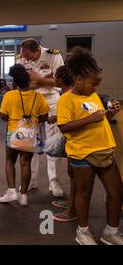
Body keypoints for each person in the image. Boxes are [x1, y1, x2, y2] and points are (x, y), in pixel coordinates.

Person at [57, 47, 123, 245]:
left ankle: (110, 231)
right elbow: (64, 127)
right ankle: (83, 231)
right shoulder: (66, 100)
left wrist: (110, 113)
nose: (95, 88)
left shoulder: (92, 95)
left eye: (97, 84)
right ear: (78, 80)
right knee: (84, 193)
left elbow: (99, 120)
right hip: (82, 153)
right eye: (93, 84)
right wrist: (91, 118)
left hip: (104, 150)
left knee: (117, 192)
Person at [16, 38, 65, 197]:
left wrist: (37, 78)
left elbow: (61, 81)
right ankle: (31, 180)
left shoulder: (53, 55)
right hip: (31, 101)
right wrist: (46, 79)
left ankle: (54, 182)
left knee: (54, 142)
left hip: (52, 101)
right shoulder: (21, 59)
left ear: (37, 50)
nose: (26, 59)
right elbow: (23, 85)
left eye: (29, 56)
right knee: (30, 143)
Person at [0, 64, 49, 206]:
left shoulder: (9, 95)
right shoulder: (38, 96)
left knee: (10, 160)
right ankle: (23, 195)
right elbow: (44, 116)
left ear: (14, 82)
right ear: (29, 81)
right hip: (32, 134)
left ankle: (11, 191)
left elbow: (2, 115)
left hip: (14, 132)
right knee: (25, 163)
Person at [49, 66, 76, 222]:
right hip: (70, 140)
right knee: (72, 173)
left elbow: (71, 120)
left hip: (75, 142)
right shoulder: (65, 94)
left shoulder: (67, 96)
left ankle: (73, 209)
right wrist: (55, 118)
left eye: (55, 76)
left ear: (59, 79)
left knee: (76, 175)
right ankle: (71, 201)